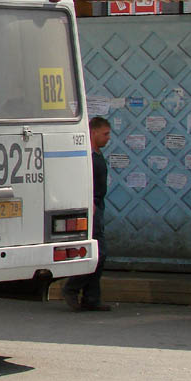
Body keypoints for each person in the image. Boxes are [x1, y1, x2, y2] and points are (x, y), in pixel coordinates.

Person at [63, 116, 112, 311]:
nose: (108, 138)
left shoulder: (97, 154)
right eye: (105, 134)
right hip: (91, 207)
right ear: (93, 133)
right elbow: (79, 181)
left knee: (96, 253)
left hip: (98, 205)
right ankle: (72, 287)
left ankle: (91, 299)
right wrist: (88, 202)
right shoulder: (86, 156)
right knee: (99, 254)